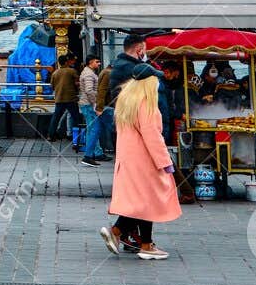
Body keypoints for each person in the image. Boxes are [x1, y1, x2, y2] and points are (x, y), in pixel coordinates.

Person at [99, 73, 181, 260]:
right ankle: (120, 233)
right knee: (147, 201)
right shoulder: (146, 105)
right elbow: (152, 136)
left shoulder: (126, 102)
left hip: (128, 159)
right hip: (145, 160)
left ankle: (142, 243)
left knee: (142, 201)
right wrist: (165, 162)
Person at [79, 57, 106, 166]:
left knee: (93, 129)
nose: (99, 64)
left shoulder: (89, 72)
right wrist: (96, 103)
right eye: (97, 61)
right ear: (91, 62)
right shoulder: (89, 74)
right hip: (89, 105)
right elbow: (89, 90)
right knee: (93, 129)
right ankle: (89, 155)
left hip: (87, 104)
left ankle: (97, 152)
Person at [49, 57, 80, 141]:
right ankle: (76, 136)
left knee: (56, 117)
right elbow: (77, 83)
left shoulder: (55, 73)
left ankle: (51, 135)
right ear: (66, 62)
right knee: (76, 118)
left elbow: (52, 86)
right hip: (71, 98)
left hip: (59, 98)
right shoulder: (71, 71)